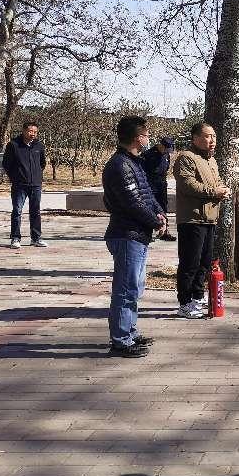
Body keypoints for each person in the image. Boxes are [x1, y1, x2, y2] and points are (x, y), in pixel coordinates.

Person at [101, 116, 165, 358]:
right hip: (126, 234)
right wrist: (155, 221)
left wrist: (159, 213)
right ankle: (120, 340)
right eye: (146, 135)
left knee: (134, 287)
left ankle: (129, 331)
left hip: (137, 234)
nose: (149, 139)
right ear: (138, 138)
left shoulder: (134, 162)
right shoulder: (120, 165)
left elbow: (147, 195)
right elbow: (133, 203)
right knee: (126, 289)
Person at [174, 123, 230, 319]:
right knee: (190, 263)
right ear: (195, 137)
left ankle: (197, 297)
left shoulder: (211, 160)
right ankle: (185, 303)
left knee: (204, 263)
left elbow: (216, 182)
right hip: (192, 219)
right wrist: (214, 192)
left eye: (214, 136)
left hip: (209, 219)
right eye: (207, 136)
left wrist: (223, 189)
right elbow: (188, 185)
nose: (212, 140)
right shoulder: (186, 157)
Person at [3, 121, 47, 249]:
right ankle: (15, 238)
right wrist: (15, 178)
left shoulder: (39, 146)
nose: (33, 134)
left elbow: (42, 164)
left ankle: (36, 238)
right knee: (17, 211)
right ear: (23, 131)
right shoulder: (13, 145)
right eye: (30, 131)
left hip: (35, 185)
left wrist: (37, 176)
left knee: (35, 212)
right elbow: (6, 164)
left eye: (35, 132)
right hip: (19, 185)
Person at [140, 136, 176, 241]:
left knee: (163, 207)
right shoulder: (147, 155)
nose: (167, 152)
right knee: (150, 209)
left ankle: (165, 231)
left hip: (162, 185)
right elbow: (142, 171)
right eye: (166, 149)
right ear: (161, 145)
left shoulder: (166, 155)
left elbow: (166, 168)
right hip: (150, 185)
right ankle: (147, 233)